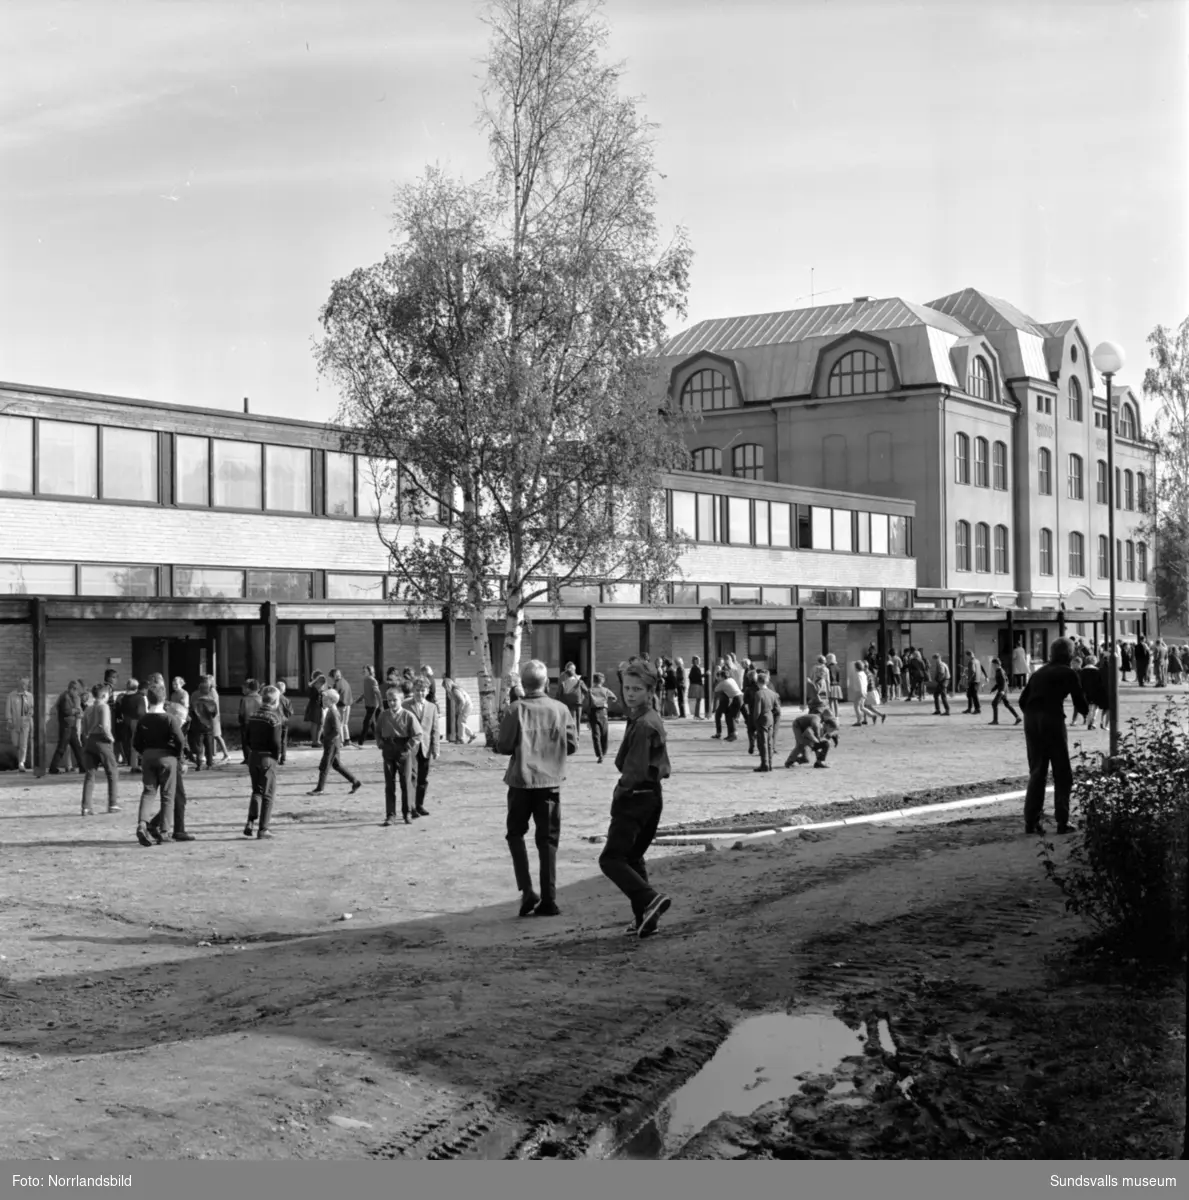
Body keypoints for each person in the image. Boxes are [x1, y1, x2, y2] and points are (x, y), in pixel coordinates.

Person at [497, 659, 577, 918]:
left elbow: (504, 746)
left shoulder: (514, 710)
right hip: (551, 783)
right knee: (548, 841)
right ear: (547, 682)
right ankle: (549, 898)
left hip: (521, 781)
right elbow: (573, 745)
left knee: (515, 834)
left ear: (523, 683)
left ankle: (528, 889)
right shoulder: (561, 709)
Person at [599, 659, 672, 939]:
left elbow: (634, 770)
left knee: (612, 859)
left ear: (650, 690)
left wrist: (622, 795)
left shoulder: (644, 724)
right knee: (632, 857)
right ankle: (646, 918)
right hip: (650, 796)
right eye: (627, 688)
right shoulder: (643, 718)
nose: (630, 693)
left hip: (636, 796)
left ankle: (651, 899)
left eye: (637, 689)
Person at [1019, 638, 1088, 835]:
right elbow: (1080, 704)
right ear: (1069, 654)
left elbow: (1023, 700)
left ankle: (1031, 821)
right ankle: (1062, 821)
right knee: (1062, 772)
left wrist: (1034, 716)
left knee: (1037, 771)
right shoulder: (1069, 673)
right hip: (1052, 719)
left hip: (1031, 720)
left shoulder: (1039, 672)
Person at [131, 682, 185, 847]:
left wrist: (144, 752)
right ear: (165, 699)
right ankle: (164, 832)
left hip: (148, 756)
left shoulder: (143, 719)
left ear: (148, 699)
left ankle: (142, 824)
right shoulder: (170, 718)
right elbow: (180, 740)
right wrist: (179, 756)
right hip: (167, 758)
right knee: (167, 795)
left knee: (148, 792)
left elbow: (136, 742)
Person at [243, 684, 285, 839]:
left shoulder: (253, 716)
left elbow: (246, 737)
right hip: (268, 757)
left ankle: (250, 821)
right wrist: (277, 756)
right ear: (275, 701)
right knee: (268, 794)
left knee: (256, 791)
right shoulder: (274, 719)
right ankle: (263, 828)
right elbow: (276, 743)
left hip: (254, 756)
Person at [376, 684, 422, 825]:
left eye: (394, 700)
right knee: (389, 784)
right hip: (388, 750)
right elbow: (377, 731)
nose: (391, 703)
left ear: (401, 700)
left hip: (403, 749)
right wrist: (381, 743)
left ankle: (407, 812)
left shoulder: (408, 716)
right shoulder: (383, 715)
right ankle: (390, 814)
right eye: (389, 701)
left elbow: (418, 734)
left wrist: (407, 746)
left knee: (405, 783)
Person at [308, 688, 362, 797]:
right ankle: (355, 781)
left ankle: (319, 789)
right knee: (337, 765)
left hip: (332, 743)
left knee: (325, 765)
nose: (323, 700)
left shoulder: (333, 712)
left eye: (325, 698)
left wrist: (328, 739)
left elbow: (337, 730)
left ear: (331, 700)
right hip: (332, 742)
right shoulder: (331, 710)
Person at [79, 683, 120, 815]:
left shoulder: (89, 708)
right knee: (112, 771)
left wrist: (86, 736)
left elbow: (84, 726)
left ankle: (86, 806)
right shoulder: (104, 707)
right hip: (102, 740)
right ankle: (113, 804)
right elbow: (104, 725)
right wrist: (111, 738)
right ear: (103, 695)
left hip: (90, 740)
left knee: (90, 774)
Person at [404, 676, 439, 817]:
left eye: (423, 690)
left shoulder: (432, 707)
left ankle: (419, 805)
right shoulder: (406, 705)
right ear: (413, 690)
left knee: (423, 779)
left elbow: (435, 729)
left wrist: (436, 748)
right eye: (418, 690)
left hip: (426, 747)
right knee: (412, 776)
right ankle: (411, 807)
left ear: (428, 691)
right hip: (411, 747)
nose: (420, 693)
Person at [748, 669, 781, 771]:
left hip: (762, 719)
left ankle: (764, 764)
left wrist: (755, 721)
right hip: (770, 718)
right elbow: (777, 709)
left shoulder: (758, 693)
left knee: (762, 742)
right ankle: (770, 764)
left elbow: (757, 710)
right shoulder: (773, 693)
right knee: (770, 742)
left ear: (758, 682)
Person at [50, 681, 84, 774]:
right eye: (76, 690)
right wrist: (77, 710)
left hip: (71, 726)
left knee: (77, 747)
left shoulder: (70, 697)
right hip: (66, 727)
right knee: (61, 748)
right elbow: (67, 711)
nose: (77, 693)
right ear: (72, 689)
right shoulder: (65, 697)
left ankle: (83, 767)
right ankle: (53, 768)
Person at [5, 676, 34, 773]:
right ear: (20, 685)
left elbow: (32, 707)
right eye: (25, 684)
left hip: (25, 721)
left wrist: (30, 714)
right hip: (15, 721)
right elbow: (8, 709)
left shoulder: (29, 696)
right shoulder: (12, 695)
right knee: (16, 743)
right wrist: (9, 719)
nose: (26, 686)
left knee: (23, 744)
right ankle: (18, 759)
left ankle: (21, 762)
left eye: (27, 684)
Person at [188, 678, 217, 770]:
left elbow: (191, 712)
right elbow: (214, 713)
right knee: (209, 745)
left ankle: (199, 763)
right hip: (208, 725)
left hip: (198, 725)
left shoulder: (195, 700)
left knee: (199, 745)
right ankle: (209, 763)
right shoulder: (211, 701)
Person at [118, 679, 147, 773]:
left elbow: (121, 709)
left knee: (131, 743)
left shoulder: (124, 698)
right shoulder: (139, 698)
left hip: (127, 721)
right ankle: (141, 764)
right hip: (137, 721)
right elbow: (141, 712)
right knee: (141, 742)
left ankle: (133, 764)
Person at [587, 673, 616, 763]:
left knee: (596, 735)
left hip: (593, 713)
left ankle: (599, 754)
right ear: (602, 681)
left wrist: (588, 719)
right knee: (604, 734)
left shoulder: (590, 690)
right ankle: (603, 752)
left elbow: (587, 705)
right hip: (603, 712)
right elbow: (614, 698)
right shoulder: (605, 690)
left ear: (593, 681)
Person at [557, 662, 588, 744]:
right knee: (577, 721)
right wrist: (582, 698)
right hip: (577, 703)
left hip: (566, 703)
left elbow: (559, 693)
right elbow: (586, 691)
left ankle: (569, 736)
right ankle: (576, 737)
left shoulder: (563, 681)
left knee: (568, 720)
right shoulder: (579, 681)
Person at [711, 669, 743, 741]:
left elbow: (715, 689)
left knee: (730, 717)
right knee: (729, 716)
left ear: (722, 677)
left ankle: (733, 734)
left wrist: (717, 681)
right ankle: (730, 734)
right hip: (740, 697)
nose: (718, 678)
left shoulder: (723, 683)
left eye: (719, 676)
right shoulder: (731, 679)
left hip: (736, 699)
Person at [988, 658, 1021, 726]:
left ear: (996, 664)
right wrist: (993, 689)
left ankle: (995, 720)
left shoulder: (1000, 671)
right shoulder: (999, 670)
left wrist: (1002, 691)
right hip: (1003, 690)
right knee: (1007, 704)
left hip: (1002, 691)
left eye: (993, 665)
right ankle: (1018, 717)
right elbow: (1001, 682)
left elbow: (1004, 682)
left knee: (994, 703)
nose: (992, 667)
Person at [238, 679, 262, 764]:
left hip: (247, 722)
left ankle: (247, 757)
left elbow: (241, 712)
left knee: (246, 741)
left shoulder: (244, 699)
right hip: (259, 722)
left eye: (244, 688)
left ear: (248, 689)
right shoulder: (261, 699)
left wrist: (240, 721)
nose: (243, 690)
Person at [329, 669, 355, 747]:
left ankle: (340, 741)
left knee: (339, 723)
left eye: (331, 677)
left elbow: (334, 695)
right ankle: (347, 739)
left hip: (341, 705)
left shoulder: (337, 684)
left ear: (334, 676)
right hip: (348, 704)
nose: (332, 679)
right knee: (345, 723)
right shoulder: (345, 682)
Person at [360, 666, 382, 744]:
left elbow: (378, 693)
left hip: (373, 705)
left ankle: (360, 741)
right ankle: (380, 739)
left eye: (365, 671)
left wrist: (381, 705)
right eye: (363, 671)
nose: (363, 672)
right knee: (372, 723)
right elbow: (367, 692)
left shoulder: (373, 681)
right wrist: (361, 698)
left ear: (370, 672)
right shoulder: (365, 680)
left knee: (366, 722)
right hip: (367, 704)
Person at [304, 673, 326, 746]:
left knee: (321, 724)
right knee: (315, 723)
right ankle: (314, 741)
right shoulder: (312, 688)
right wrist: (314, 681)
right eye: (319, 681)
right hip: (314, 707)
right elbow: (308, 691)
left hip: (321, 707)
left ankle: (318, 740)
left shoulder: (322, 688)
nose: (321, 683)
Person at [275, 680, 293, 764]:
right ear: (284, 690)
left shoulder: (273, 699)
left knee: (275, 738)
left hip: (275, 721)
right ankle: (283, 757)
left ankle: (276, 756)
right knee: (283, 740)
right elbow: (290, 712)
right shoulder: (286, 700)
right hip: (284, 721)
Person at [848, 660, 869, 727]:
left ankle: (859, 720)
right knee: (861, 706)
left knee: (856, 706)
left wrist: (860, 691)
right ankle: (872, 715)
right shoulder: (863, 674)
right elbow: (865, 683)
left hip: (859, 691)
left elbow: (860, 683)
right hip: (864, 691)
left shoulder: (858, 674)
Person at [825, 653, 843, 718]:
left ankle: (831, 715)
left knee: (830, 702)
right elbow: (838, 678)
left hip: (830, 685)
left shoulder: (827, 668)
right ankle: (837, 715)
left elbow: (827, 678)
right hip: (837, 686)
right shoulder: (837, 667)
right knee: (836, 702)